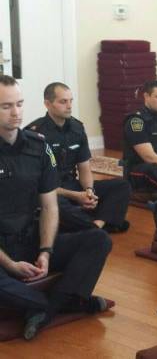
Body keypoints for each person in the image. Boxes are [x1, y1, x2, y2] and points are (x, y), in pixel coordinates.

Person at [0, 75, 112, 340]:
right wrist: (11, 265)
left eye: (19, 104)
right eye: (6, 106)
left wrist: (46, 251)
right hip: (2, 253)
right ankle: (66, 302)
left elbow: (50, 206)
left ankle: (39, 307)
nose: (16, 112)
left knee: (98, 240)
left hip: (30, 239)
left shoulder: (39, 147)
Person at [27, 82, 131, 233]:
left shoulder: (77, 128)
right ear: (47, 104)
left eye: (71, 101)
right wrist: (76, 196)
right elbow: (38, 184)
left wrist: (89, 191)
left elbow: (84, 168)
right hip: (51, 191)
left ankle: (96, 225)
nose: (69, 106)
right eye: (63, 102)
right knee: (52, 205)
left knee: (121, 186)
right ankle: (101, 222)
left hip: (72, 186)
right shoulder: (34, 135)